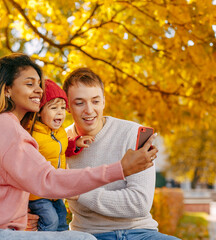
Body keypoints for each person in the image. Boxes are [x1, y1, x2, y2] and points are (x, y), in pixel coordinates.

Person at [0, 53, 157, 240]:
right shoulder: (5, 128)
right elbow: (48, 180)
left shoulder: (4, 127)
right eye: (29, 83)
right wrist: (120, 169)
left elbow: (0, 188)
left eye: (39, 84)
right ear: (7, 90)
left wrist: (23, 215)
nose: (39, 90)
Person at [62, 68, 180, 240]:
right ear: (67, 107)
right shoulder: (62, 142)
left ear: (103, 102)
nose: (89, 110)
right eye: (79, 103)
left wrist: (79, 193)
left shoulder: (131, 134)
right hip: (89, 235)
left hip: (140, 233)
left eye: (95, 101)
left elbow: (139, 204)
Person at [28, 79, 94, 232]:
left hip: (56, 190)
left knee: (62, 219)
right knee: (50, 220)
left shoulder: (60, 133)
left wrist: (76, 144)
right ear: (39, 112)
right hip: (38, 193)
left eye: (63, 108)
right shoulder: (33, 135)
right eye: (53, 108)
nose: (60, 112)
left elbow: (62, 148)